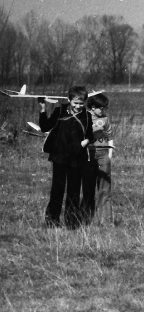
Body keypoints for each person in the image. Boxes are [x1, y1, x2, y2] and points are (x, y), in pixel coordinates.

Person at [39, 86, 94, 229]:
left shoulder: (87, 116)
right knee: (57, 189)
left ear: (85, 102)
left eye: (81, 103)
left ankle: (72, 223)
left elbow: (90, 135)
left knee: (74, 192)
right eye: (75, 103)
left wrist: (86, 141)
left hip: (77, 158)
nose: (78, 106)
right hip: (59, 157)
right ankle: (52, 222)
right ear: (69, 100)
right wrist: (43, 109)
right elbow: (45, 127)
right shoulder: (60, 111)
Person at [82, 93, 114, 226]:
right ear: (93, 107)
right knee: (87, 189)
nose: (103, 111)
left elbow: (110, 137)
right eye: (101, 108)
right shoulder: (84, 117)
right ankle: (85, 220)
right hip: (88, 155)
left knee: (104, 189)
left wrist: (109, 155)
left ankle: (106, 221)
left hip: (103, 156)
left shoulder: (105, 120)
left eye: (105, 108)